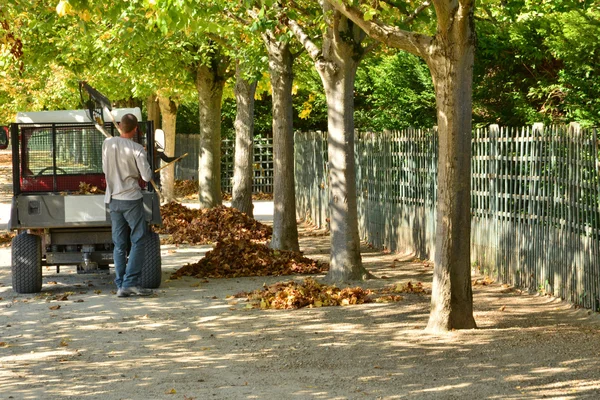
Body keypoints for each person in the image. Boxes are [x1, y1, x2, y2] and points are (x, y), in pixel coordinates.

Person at [102, 113, 154, 297]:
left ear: (120, 126)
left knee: (119, 244)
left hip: (113, 199)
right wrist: (144, 155)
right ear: (135, 129)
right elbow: (146, 177)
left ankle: (120, 284)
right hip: (131, 199)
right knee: (138, 240)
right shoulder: (138, 149)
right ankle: (130, 283)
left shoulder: (107, 144)